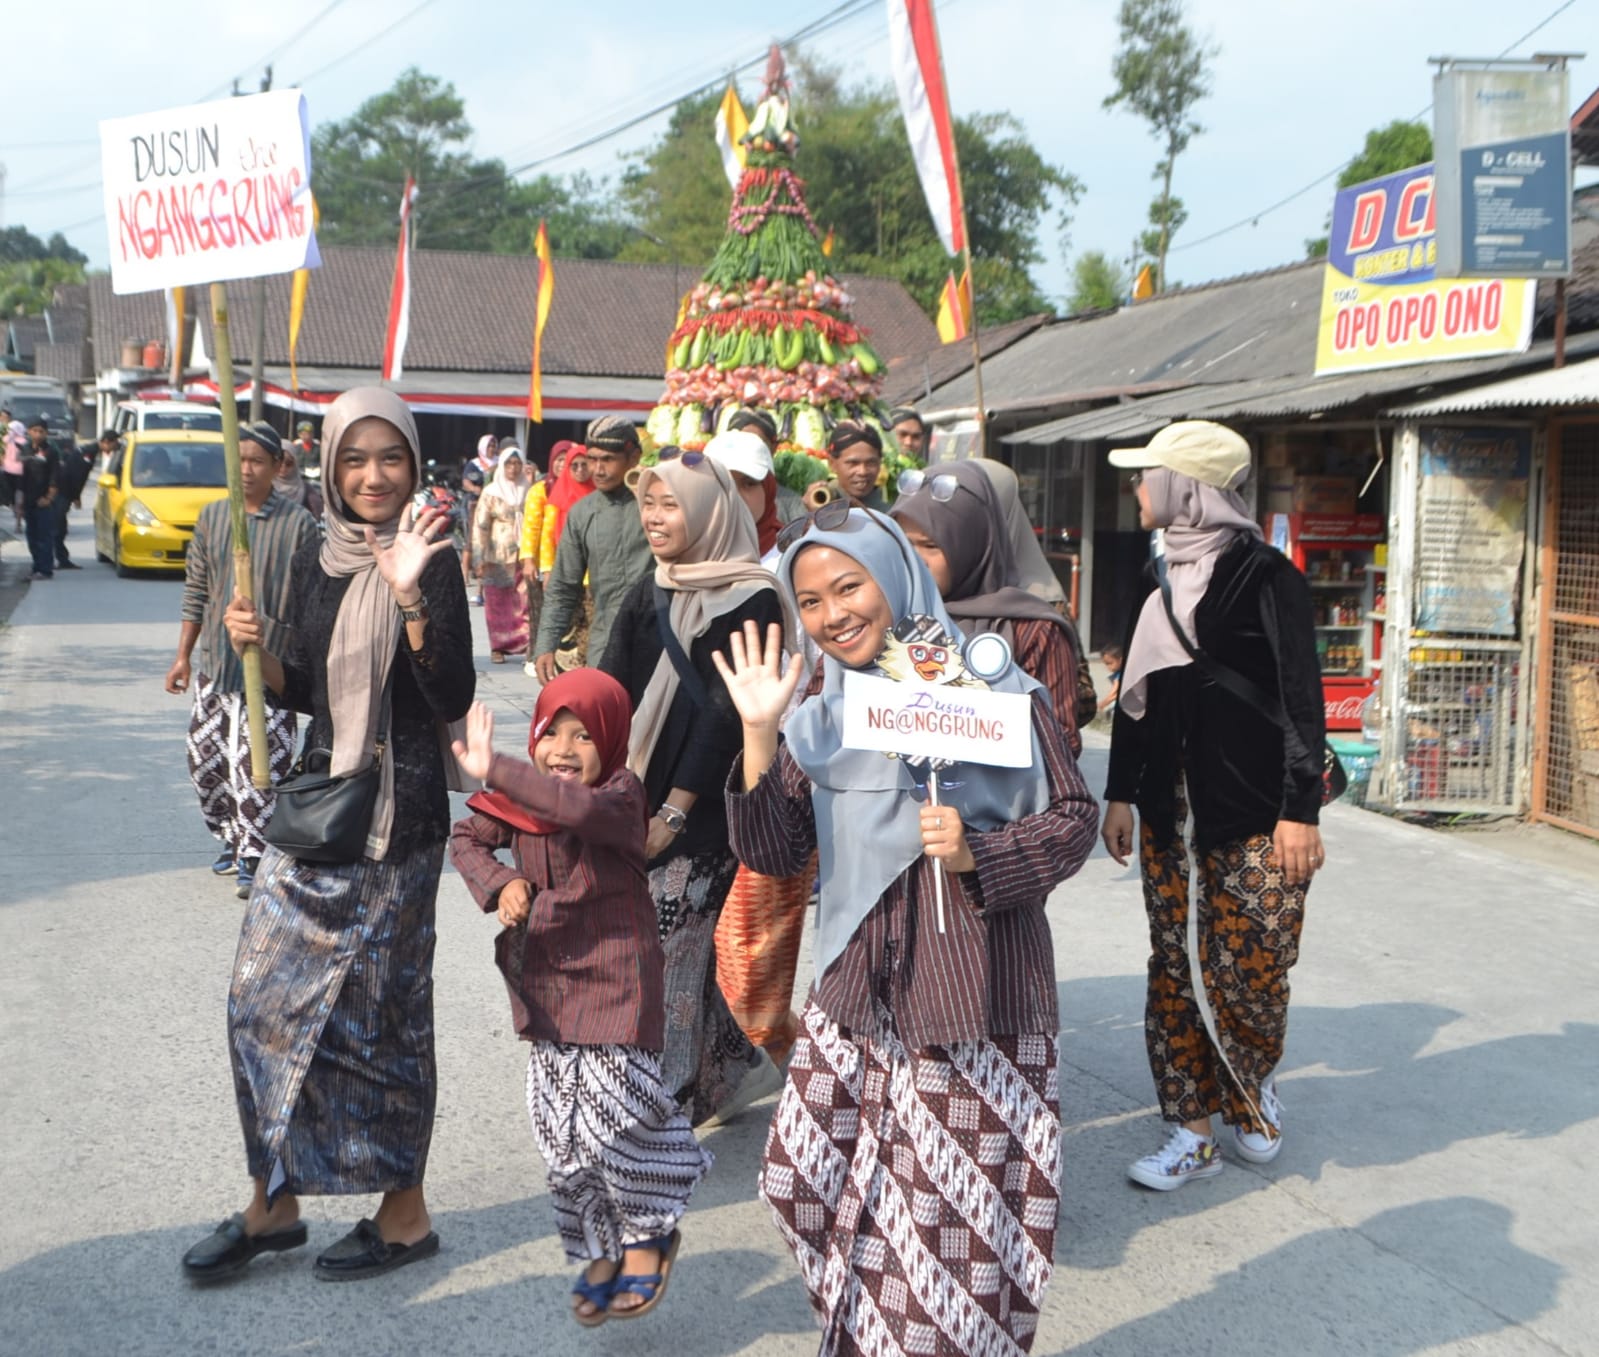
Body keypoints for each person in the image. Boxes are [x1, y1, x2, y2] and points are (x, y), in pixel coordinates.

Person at [717, 508, 1098, 1354]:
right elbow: (774, 849)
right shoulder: (820, 707)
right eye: (809, 601)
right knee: (801, 1182)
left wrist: (978, 856)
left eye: (848, 586)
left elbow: (1073, 817)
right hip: (856, 988)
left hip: (970, 988)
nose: (831, 614)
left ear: (893, 578)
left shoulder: (997, 693)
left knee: (943, 1230)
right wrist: (755, 731)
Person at [182, 386, 475, 1284]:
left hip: (401, 822)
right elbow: (304, 685)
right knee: (258, 999)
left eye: (390, 457)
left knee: (382, 1022)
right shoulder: (318, 552)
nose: (373, 475)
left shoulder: (435, 558)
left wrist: (411, 597)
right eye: (355, 458)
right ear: (332, 466)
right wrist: (254, 648)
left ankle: (404, 1214)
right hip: (319, 814)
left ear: (413, 465)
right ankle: (274, 1202)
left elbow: (450, 697)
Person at [1099, 421, 1325, 1192]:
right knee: (1174, 965)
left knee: (1253, 967)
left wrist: (1301, 810)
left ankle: (1250, 1083)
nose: (1135, 488)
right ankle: (1189, 1129)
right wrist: (1121, 792)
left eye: (1147, 474)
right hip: (1169, 813)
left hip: (1258, 813)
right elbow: (1140, 697)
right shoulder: (1155, 573)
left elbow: (1300, 698)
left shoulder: (1267, 577)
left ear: (1186, 485)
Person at [449, 681, 711, 1325]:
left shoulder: (622, 798)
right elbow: (466, 838)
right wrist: (502, 880)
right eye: (550, 733)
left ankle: (649, 1232)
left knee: (616, 1115)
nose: (563, 750)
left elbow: (573, 810)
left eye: (584, 735)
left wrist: (502, 770)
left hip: (615, 983)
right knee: (560, 1129)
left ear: (612, 739)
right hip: (545, 983)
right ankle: (599, 1243)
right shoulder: (513, 798)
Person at [599, 452, 786, 1125]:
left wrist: (675, 813)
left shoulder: (753, 596)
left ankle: (661, 1115)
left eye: (669, 503)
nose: (654, 517)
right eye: (648, 503)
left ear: (708, 511)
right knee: (676, 952)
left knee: (666, 956)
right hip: (635, 800)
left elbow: (724, 715)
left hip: (702, 816)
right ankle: (733, 1068)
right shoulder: (652, 585)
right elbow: (611, 688)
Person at [166, 421, 317, 898]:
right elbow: (196, 592)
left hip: (271, 668)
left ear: (278, 466)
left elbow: (311, 603)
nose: (246, 470)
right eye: (239, 460)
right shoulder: (212, 518)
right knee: (206, 761)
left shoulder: (299, 525)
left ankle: (256, 853)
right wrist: (183, 657)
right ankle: (230, 838)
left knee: (259, 765)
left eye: (256, 461)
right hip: (216, 663)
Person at [702, 428, 813, 1063]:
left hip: (774, 769)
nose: (733, 496)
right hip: (694, 776)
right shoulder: (677, 563)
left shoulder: (792, 564)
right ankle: (721, 1056)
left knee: (757, 931)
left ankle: (765, 1048)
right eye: (721, 481)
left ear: (767, 490)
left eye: (746, 483)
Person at [893, 458, 1088, 756]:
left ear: (972, 542)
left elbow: (1062, 743)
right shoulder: (886, 618)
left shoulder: (1032, 630)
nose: (916, 560)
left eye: (932, 545)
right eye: (905, 545)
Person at [532, 417, 651, 685]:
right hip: (606, 641)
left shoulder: (658, 505)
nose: (597, 469)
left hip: (659, 642)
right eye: (592, 459)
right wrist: (546, 645)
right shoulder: (582, 513)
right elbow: (563, 586)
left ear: (634, 457)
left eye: (608, 460)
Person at [518, 440, 573, 676]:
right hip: (543, 561)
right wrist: (529, 560)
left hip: (573, 561)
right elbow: (530, 528)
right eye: (558, 459)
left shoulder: (580, 487)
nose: (563, 464)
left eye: (566, 459)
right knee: (541, 610)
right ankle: (536, 655)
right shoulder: (541, 489)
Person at [474, 445, 531, 663]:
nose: (513, 468)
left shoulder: (528, 488)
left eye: (517, 463)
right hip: (496, 554)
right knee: (497, 602)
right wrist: (478, 557)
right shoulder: (491, 492)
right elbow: (481, 525)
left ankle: (525, 643)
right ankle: (498, 647)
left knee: (524, 601)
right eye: (509, 463)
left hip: (523, 553)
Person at [727, 408, 805, 523]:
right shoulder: (714, 499)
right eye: (740, 441)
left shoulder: (791, 503)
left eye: (750, 484)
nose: (748, 449)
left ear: (773, 448)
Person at [807, 420, 887, 511]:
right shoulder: (814, 505)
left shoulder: (892, 515)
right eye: (853, 463)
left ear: (880, 463)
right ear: (832, 463)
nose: (863, 471)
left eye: (871, 463)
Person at [461, 433, 499, 605]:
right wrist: (477, 491)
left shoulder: (500, 463)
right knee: (472, 541)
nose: (492, 449)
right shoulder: (475, 464)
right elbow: (466, 482)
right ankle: (465, 574)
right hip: (476, 504)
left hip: (495, 506)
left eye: (494, 446)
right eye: (489, 446)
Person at [20, 416, 59, 581]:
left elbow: (55, 477)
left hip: (43, 501)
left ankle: (45, 570)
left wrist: (49, 498)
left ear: (46, 433)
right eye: (34, 431)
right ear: (29, 432)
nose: (37, 434)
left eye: (41, 431)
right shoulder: (24, 450)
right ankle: (36, 567)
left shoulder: (51, 452)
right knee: (31, 536)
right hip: (28, 501)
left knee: (44, 537)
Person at [53, 434, 99, 570]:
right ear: (107, 442)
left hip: (65, 492)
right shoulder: (88, 453)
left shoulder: (87, 450)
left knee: (60, 527)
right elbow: (79, 476)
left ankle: (61, 559)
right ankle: (54, 560)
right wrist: (76, 496)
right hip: (63, 492)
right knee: (57, 528)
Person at [276, 440, 324, 520]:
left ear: (295, 464)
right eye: (279, 462)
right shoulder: (264, 487)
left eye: (288, 463)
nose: (283, 467)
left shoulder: (306, 490)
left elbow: (318, 514)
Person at [1, 409, 23, 530]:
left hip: (10, 472)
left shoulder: (6, 440)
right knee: (18, 498)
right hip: (17, 473)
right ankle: (18, 517)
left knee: (14, 497)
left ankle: (17, 515)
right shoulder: (25, 441)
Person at [1098, 644, 1124, 713]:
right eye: (1106, 664)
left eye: (1110, 663)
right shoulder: (1119, 673)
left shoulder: (1120, 675)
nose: (1108, 667)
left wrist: (1102, 704)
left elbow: (1114, 694)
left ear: (1121, 660)